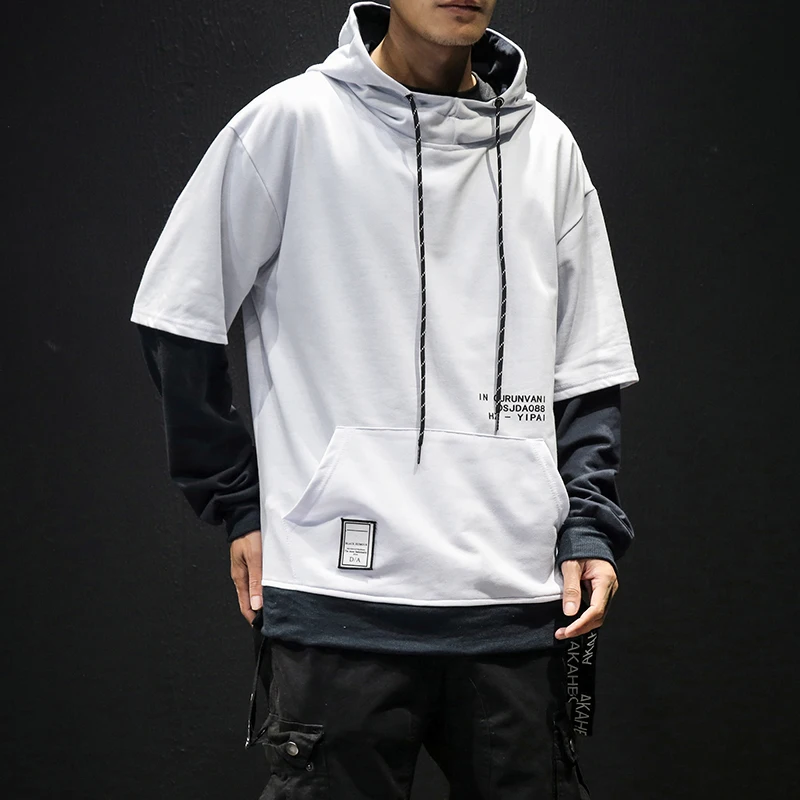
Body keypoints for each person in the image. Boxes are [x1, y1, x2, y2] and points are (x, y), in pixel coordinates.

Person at [130, 1, 639, 797]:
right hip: (340, 600)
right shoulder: (292, 124)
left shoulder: (548, 150)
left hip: (517, 604)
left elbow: (587, 365)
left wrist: (587, 524)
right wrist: (238, 500)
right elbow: (178, 312)